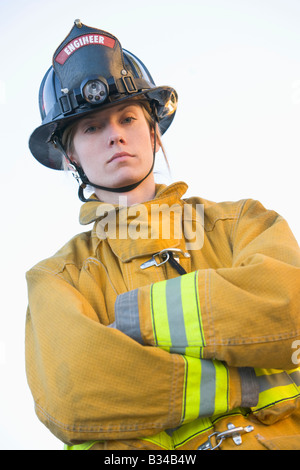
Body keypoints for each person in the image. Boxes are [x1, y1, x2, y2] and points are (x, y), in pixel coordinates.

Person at [26, 20, 300, 451]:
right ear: (71, 154)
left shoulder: (243, 223)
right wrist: (244, 380)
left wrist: (134, 324)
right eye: (92, 127)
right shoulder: (57, 279)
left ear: (153, 129)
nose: (115, 133)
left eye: (128, 117)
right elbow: (75, 390)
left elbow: (290, 308)